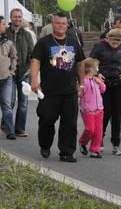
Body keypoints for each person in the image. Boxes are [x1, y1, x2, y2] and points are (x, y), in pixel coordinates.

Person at [31, 12, 85, 162]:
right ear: (52, 25)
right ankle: (45, 145)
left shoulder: (74, 42)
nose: (60, 26)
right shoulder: (44, 42)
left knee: (69, 122)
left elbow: (80, 64)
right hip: (49, 91)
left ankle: (66, 152)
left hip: (69, 91)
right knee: (47, 119)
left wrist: (82, 83)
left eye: (63, 23)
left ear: (67, 25)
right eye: (57, 23)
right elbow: (36, 61)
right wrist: (34, 81)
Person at [90, 28, 121, 155]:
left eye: (118, 43)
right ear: (108, 39)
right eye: (113, 42)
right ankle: (99, 139)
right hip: (103, 83)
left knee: (117, 115)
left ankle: (116, 144)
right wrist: (97, 74)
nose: (115, 45)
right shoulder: (99, 46)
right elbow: (91, 63)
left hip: (117, 82)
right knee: (104, 113)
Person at [4, 8, 34, 137]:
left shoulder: (27, 35)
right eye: (15, 17)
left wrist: (31, 69)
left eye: (19, 17)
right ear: (11, 18)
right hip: (8, 73)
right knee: (9, 101)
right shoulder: (5, 33)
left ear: (22, 18)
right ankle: (6, 123)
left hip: (24, 73)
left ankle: (19, 129)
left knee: (23, 103)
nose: (17, 19)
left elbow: (32, 52)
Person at [78, 58, 105, 159]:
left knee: (98, 131)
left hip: (99, 110)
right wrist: (85, 107)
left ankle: (94, 150)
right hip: (88, 110)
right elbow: (81, 95)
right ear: (89, 69)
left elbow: (103, 90)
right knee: (90, 129)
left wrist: (100, 82)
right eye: (95, 67)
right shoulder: (83, 81)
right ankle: (82, 142)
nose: (97, 69)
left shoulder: (95, 79)